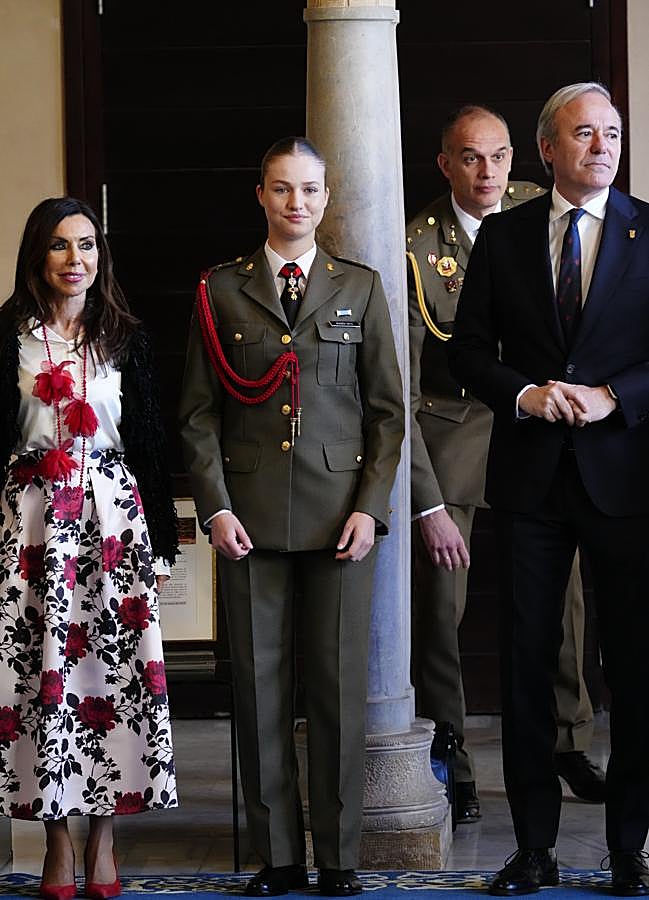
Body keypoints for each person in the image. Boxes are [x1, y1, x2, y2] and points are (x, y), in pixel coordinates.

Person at [179, 137, 404, 897]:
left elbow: (386, 415)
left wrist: (371, 511)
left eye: (309, 190)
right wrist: (213, 507)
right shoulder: (220, 290)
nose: (295, 203)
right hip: (248, 521)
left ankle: (338, 858)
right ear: (261, 194)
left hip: (340, 521)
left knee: (337, 693)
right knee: (261, 690)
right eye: (281, 189)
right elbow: (197, 416)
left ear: (325, 197)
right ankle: (279, 857)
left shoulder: (360, 288)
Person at [449, 82, 649, 895]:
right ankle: (532, 848)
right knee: (528, 668)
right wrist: (526, 394)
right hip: (531, 480)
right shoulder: (502, 237)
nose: (601, 146)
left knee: (631, 669)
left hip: (624, 480)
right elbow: (465, 352)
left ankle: (627, 848)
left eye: (611, 133)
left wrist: (616, 398)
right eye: (583, 134)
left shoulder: (647, 231)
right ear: (547, 150)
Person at [407, 105, 605, 824]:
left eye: (497, 156)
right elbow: (405, 377)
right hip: (453, 427)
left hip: (538, 425)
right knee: (440, 604)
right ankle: (447, 744)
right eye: (469, 158)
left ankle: (568, 740)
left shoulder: (537, 208)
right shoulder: (414, 244)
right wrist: (423, 493)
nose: (488, 173)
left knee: (567, 596)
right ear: (445, 164)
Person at [0, 198, 179, 900]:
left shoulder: (125, 337)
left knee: (112, 681)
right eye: (60, 247)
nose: (76, 260)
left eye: (88, 246)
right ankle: (55, 843)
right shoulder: (8, 334)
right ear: (37, 256)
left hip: (113, 523)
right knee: (39, 685)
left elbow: (152, 448)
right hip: (35, 526)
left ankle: (104, 839)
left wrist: (160, 549)